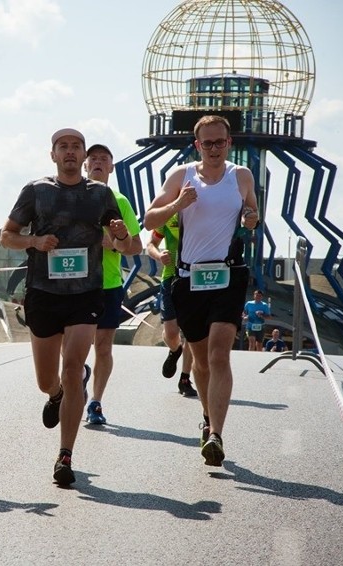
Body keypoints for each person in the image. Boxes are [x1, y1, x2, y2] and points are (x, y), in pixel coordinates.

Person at [0, 127, 127, 485]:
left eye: (76, 147)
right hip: (43, 293)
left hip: (86, 294)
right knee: (47, 380)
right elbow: (6, 236)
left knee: (73, 369)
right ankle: (55, 395)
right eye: (63, 147)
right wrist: (35, 240)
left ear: (84, 156)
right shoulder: (36, 191)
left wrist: (118, 234)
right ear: (53, 154)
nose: (70, 152)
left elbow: (128, 245)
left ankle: (65, 455)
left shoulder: (100, 194)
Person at [143, 114, 259, 468]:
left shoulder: (241, 176)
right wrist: (178, 204)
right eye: (206, 143)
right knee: (202, 362)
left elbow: (251, 211)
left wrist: (251, 218)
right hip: (189, 279)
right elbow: (149, 220)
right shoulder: (181, 175)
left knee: (220, 354)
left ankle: (216, 435)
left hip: (228, 275)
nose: (213, 149)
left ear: (229, 143)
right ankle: (208, 418)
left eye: (219, 142)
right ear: (197, 145)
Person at [81, 143, 143, 425]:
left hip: (107, 283)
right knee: (71, 346)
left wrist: (114, 244)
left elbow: (136, 246)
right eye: (92, 158)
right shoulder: (72, 196)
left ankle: (95, 401)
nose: (97, 162)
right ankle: (78, 372)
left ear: (111, 167)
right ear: (85, 164)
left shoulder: (120, 201)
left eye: (103, 159)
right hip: (73, 285)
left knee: (103, 346)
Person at [146, 219, 197, 397]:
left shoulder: (201, 208)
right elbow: (151, 244)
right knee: (171, 332)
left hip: (195, 277)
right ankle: (175, 350)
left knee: (191, 331)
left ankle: (185, 378)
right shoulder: (168, 212)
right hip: (171, 277)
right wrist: (159, 255)